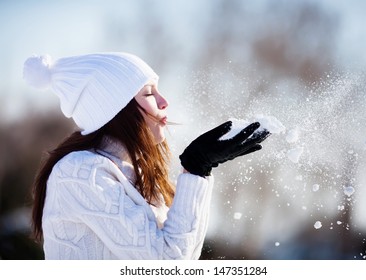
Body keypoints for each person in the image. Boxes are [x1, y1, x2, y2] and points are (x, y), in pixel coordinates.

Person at [23, 52, 269, 260]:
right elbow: (165, 262)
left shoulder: (135, 172)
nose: (164, 102)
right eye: (149, 93)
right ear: (117, 108)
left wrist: (200, 171)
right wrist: (195, 169)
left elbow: (183, 260)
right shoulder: (80, 173)